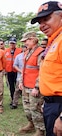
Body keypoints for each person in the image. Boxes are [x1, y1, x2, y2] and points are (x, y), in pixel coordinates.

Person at [31, 1, 62, 136]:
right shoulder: (53, 41)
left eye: (47, 19)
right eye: (40, 22)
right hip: (52, 104)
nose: (42, 25)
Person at [19, 32, 45, 136]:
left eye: (26, 41)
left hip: (34, 87)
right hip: (25, 86)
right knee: (27, 108)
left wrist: (37, 87)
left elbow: (42, 71)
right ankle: (31, 124)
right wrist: (21, 82)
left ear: (33, 40)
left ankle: (40, 130)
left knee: (35, 109)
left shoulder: (40, 53)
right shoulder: (27, 52)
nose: (25, 43)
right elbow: (24, 69)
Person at [5, 37, 22, 105]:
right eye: (11, 43)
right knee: (11, 86)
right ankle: (13, 99)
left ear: (16, 44)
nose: (12, 44)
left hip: (17, 71)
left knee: (18, 87)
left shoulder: (20, 51)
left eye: (13, 43)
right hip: (9, 71)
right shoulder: (6, 51)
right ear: (9, 44)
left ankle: (18, 99)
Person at [10, 45, 27, 109]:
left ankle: (27, 103)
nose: (25, 49)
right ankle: (14, 103)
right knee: (17, 90)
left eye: (26, 47)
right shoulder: (19, 56)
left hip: (29, 77)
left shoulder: (32, 55)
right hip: (20, 76)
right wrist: (20, 71)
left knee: (26, 91)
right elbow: (15, 65)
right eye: (24, 47)